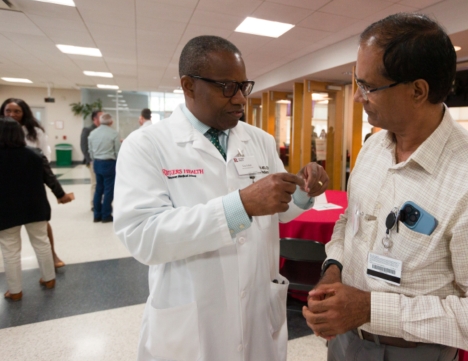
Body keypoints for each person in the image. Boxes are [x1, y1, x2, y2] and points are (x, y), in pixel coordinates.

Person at [303, 13, 468, 360]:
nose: (359, 98)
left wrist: (371, 309)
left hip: (414, 352)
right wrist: (333, 271)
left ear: (418, 91)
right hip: (346, 339)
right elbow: (351, 221)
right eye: (357, 83)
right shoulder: (374, 149)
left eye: (369, 87)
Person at [113, 35, 329, 361]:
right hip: (191, 318)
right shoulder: (146, 145)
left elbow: (278, 213)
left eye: (244, 86)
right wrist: (239, 206)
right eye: (227, 87)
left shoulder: (260, 141)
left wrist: (301, 190)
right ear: (188, 86)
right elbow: (144, 237)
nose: (240, 98)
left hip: (259, 310)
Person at [1, 98, 66, 269]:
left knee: (40, 225)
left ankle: (52, 256)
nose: (12, 115)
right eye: (8, 111)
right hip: (5, 187)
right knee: (9, 235)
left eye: (17, 111)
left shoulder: (35, 132)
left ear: (24, 113)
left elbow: (45, 157)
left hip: (30, 185)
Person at [0, 117, 58, 301]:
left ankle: (15, 291)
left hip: (5, 209)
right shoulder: (35, 153)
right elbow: (49, 177)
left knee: (10, 249)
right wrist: (61, 194)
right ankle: (49, 279)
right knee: (42, 243)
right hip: (35, 206)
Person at [88, 113, 120, 223]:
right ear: (111, 122)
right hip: (109, 163)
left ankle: (97, 215)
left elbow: (90, 151)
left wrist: (94, 160)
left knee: (98, 189)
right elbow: (117, 151)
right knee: (108, 190)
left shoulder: (92, 134)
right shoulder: (114, 134)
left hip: (96, 163)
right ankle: (106, 215)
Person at [80, 110, 103, 210]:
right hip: (93, 161)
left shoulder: (103, 129)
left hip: (103, 161)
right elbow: (84, 146)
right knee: (95, 183)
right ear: (95, 119)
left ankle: (100, 202)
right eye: (101, 116)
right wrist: (90, 160)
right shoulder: (88, 130)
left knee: (102, 183)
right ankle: (94, 204)